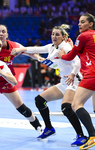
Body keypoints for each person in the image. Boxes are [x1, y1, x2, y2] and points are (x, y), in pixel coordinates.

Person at [11, 24, 88, 146]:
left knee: (66, 107)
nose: (54, 36)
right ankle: (49, 128)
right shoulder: (51, 47)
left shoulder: (65, 47)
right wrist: (22, 50)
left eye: (57, 34)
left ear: (63, 37)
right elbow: (36, 50)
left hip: (74, 81)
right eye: (53, 34)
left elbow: (77, 61)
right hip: (64, 82)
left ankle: (81, 135)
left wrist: (73, 74)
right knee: (39, 100)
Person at [57, 13, 95, 150]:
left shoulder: (83, 36)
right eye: (79, 21)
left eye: (83, 22)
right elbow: (83, 51)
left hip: (91, 75)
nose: (79, 24)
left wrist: (61, 54)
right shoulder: (92, 36)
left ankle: (92, 136)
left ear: (90, 24)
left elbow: (70, 56)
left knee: (76, 104)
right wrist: (75, 46)